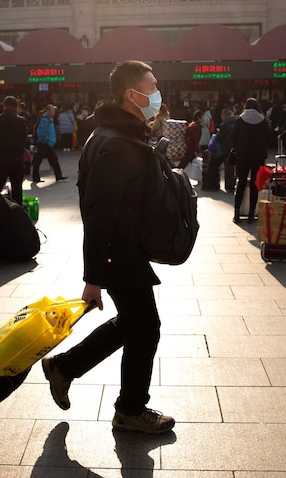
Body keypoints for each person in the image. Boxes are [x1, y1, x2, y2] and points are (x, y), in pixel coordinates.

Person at [41, 60, 175, 435]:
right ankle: (130, 410)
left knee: (134, 325)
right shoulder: (115, 144)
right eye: (152, 86)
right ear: (132, 95)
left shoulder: (120, 134)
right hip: (119, 252)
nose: (157, 93)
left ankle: (64, 367)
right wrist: (93, 277)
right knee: (145, 329)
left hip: (125, 249)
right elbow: (100, 215)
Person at [231, 98, 272, 223]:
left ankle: (237, 213)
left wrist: (238, 149)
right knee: (255, 183)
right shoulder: (263, 120)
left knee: (241, 182)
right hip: (258, 156)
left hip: (243, 156)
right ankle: (251, 213)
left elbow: (233, 137)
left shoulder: (240, 120)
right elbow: (269, 137)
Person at [0, 96, 29, 203]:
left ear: (3, 106)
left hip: (0, 159)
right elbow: (24, 139)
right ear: (16, 107)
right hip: (17, 159)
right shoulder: (21, 121)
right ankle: (17, 213)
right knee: (17, 189)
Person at [204, 108, 236, 192]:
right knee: (230, 169)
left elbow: (220, 138)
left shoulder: (225, 125)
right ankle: (230, 186)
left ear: (223, 116)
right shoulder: (236, 123)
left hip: (223, 150)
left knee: (213, 166)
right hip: (233, 149)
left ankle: (213, 185)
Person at [32, 104, 66, 183]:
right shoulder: (45, 120)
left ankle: (58, 176)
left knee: (52, 160)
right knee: (39, 160)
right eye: (52, 110)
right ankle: (36, 177)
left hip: (46, 143)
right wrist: (45, 141)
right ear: (48, 110)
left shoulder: (48, 119)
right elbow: (41, 132)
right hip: (44, 143)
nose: (54, 112)